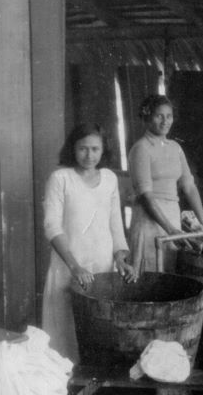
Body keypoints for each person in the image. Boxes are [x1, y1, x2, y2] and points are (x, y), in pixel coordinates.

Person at [42, 123, 136, 362]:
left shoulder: (110, 179)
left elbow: (116, 224)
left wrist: (121, 259)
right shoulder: (60, 178)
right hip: (69, 268)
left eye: (95, 149)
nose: (89, 155)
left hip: (102, 269)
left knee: (98, 337)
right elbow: (52, 226)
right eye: (83, 149)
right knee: (64, 339)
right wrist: (75, 266)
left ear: (104, 150)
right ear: (72, 149)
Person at [128, 95, 203, 274]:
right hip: (149, 220)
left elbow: (188, 186)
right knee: (148, 275)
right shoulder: (141, 148)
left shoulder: (175, 147)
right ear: (147, 117)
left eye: (169, 116)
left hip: (172, 215)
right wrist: (170, 230)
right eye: (159, 116)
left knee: (168, 275)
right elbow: (146, 196)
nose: (165, 121)